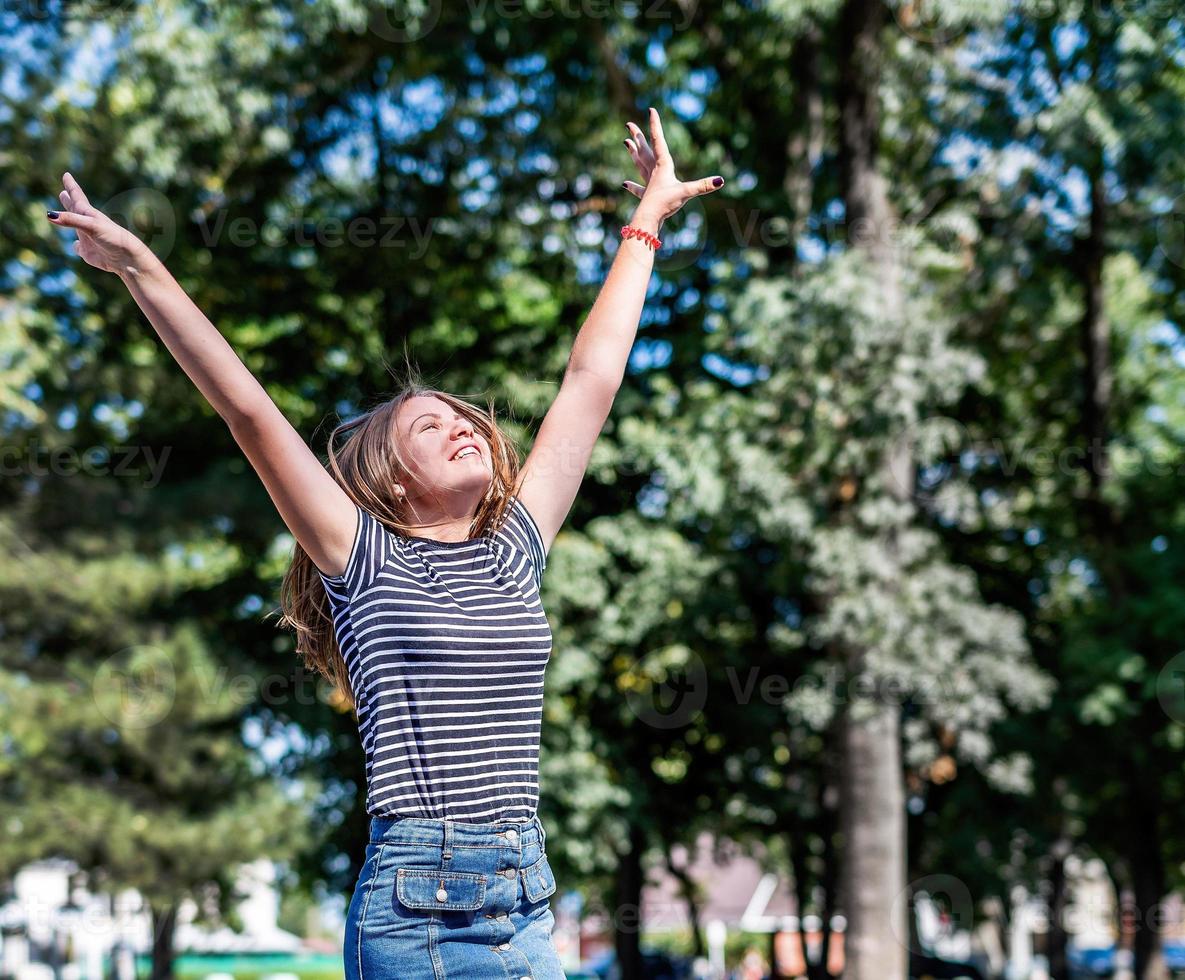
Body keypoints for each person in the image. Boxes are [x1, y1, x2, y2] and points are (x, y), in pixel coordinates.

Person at [47, 108, 723, 978]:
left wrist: (646, 223)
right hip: (419, 910)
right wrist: (143, 269)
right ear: (391, 480)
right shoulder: (361, 558)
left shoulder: (512, 547)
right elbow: (249, 412)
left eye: (462, 417)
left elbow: (591, 380)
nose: (461, 427)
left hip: (525, 902)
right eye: (428, 427)